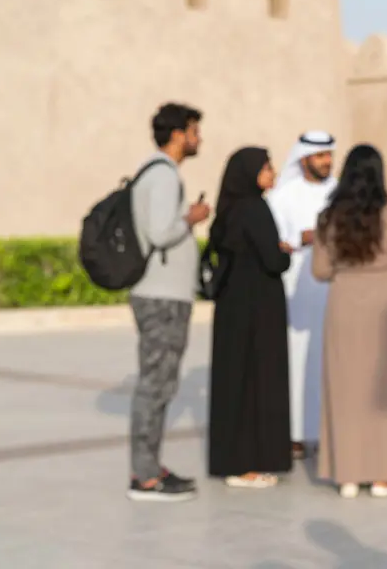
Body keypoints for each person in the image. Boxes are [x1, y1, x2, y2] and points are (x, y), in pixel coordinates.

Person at [312, 144, 387, 499]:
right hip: (386, 303)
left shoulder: (328, 217)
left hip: (344, 303)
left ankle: (347, 474)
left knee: (346, 388)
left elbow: (320, 270)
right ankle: (384, 473)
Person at [125, 103, 211, 502]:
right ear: (178, 134)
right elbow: (160, 233)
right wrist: (192, 217)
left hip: (163, 294)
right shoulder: (162, 175)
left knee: (159, 384)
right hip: (161, 297)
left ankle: (149, 468)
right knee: (155, 385)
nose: (198, 138)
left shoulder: (157, 172)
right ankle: (144, 478)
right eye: (194, 131)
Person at [205, 147, 294, 487]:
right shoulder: (255, 209)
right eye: (267, 167)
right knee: (256, 379)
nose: (273, 173)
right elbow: (272, 260)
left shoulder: (230, 210)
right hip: (258, 308)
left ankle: (234, 459)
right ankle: (245, 465)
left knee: (235, 380)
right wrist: (284, 253)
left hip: (233, 306)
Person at [265, 130, 338, 459]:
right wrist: (301, 237)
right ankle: (294, 434)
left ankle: (325, 431)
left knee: (329, 360)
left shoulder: (338, 192)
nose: (327, 161)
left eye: (329, 155)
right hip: (297, 291)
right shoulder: (283, 196)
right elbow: (274, 240)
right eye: (320, 156)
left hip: (333, 290)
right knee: (295, 361)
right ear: (304, 158)